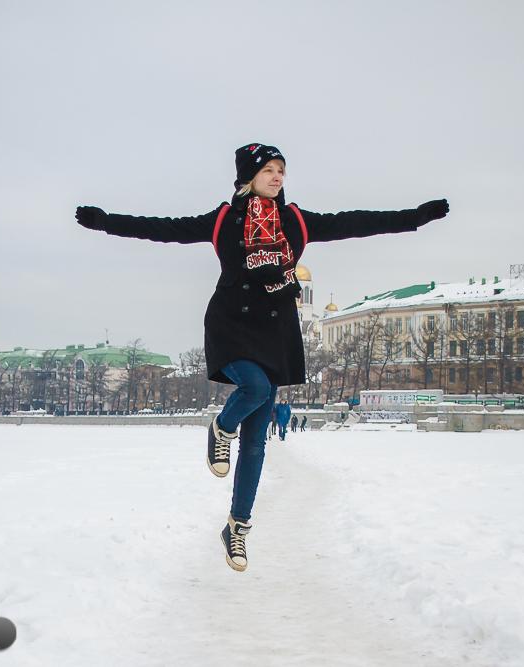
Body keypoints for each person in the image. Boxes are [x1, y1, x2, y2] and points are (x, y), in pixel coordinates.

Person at [75, 143, 449, 572]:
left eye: (281, 171)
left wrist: (414, 218)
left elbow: (356, 222)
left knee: (256, 444)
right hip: (232, 323)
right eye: (269, 169)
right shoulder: (223, 220)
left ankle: (237, 527)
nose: (277, 177)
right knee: (253, 387)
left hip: (275, 331)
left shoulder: (295, 222)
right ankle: (220, 426)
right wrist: (106, 223)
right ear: (247, 176)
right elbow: (166, 229)